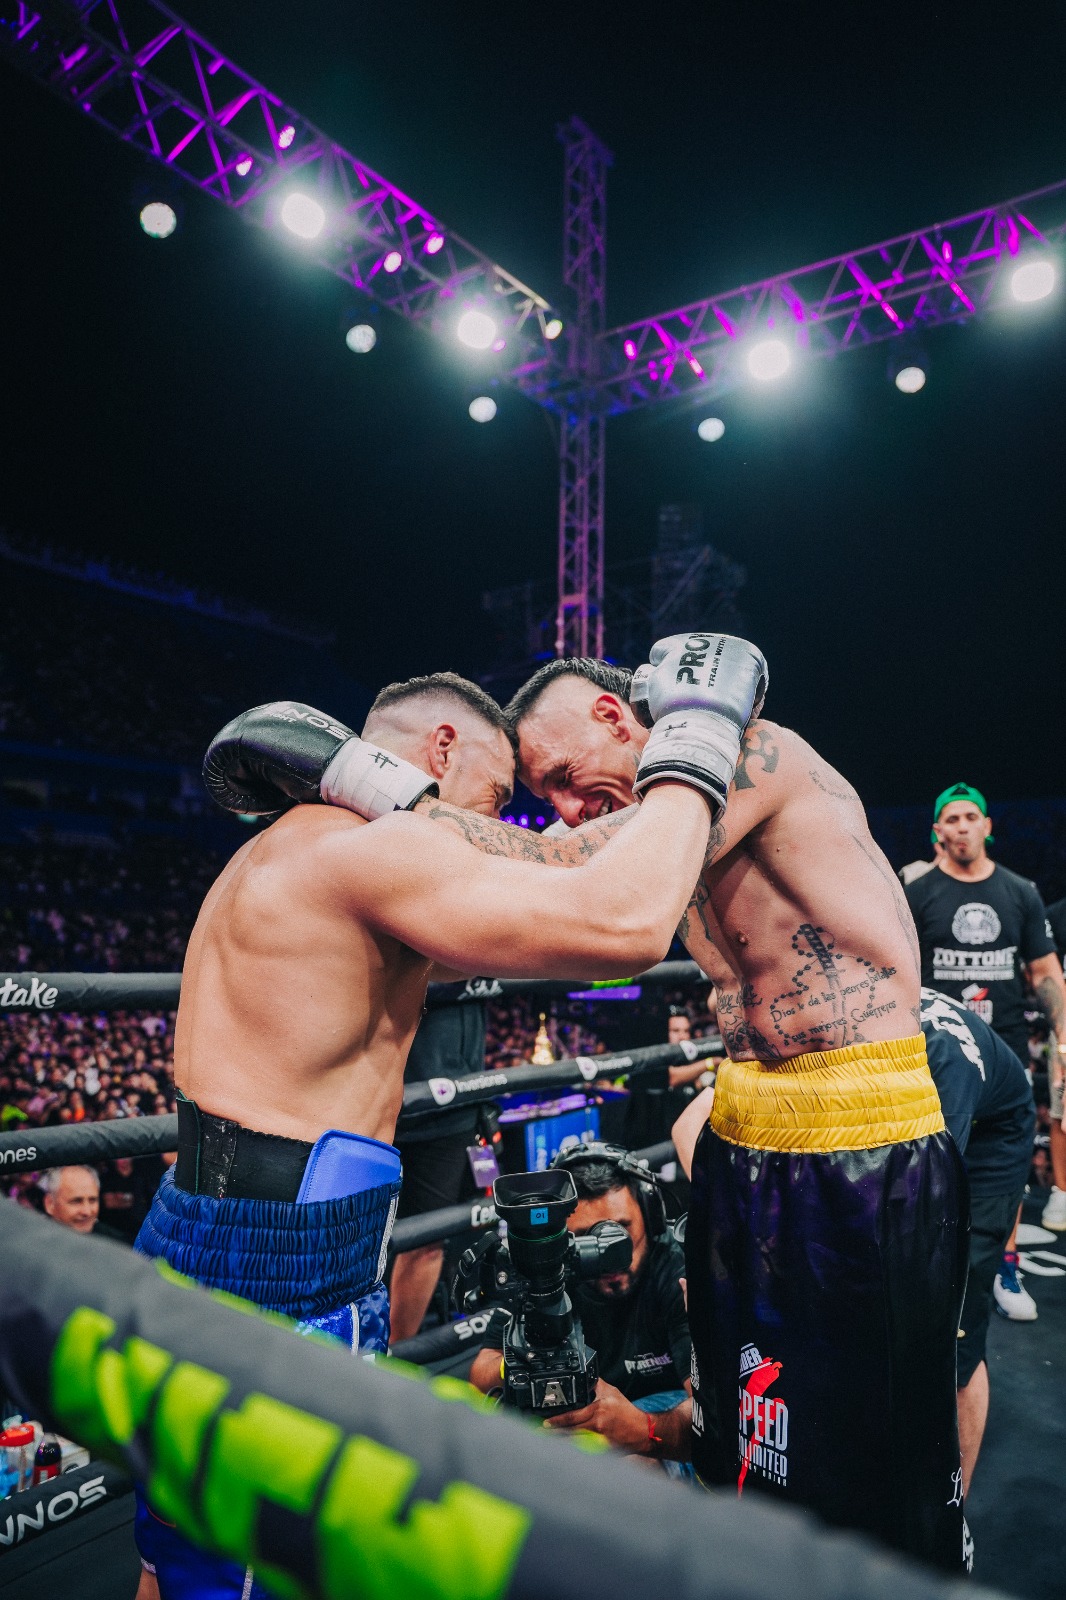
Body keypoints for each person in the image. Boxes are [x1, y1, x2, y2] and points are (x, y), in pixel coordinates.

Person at [252, 639, 967, 1571]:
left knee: (869, 1453)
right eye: (542, 794)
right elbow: (571, 898)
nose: (560, 803)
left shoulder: (752, 754)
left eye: (562, 773)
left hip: (860, 1142)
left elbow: (568, 875)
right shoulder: (667, 825)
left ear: (612, 713)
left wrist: (367, 784)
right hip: (750, 1127)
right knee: (749, 1423)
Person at [138, 665, 723, 1600]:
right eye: (495, 798)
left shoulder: (295, 849)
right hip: (279, 1246)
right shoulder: (371, 850)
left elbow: (523, 902)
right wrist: (700, 747)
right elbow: (624, 926)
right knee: (264, 1560)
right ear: (439, 751)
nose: (494, 828)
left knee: (184, 1546)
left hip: (237, 1216)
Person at [903, 783, 1066, 1308]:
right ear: (937, 832)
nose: (963, 826)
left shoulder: (1020, 891)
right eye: (951, 819)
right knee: (934, 1163)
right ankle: (931, 1272)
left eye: (971, 816)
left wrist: (1064, 1042)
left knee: (1005, 1167)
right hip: (939, 1058)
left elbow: (1045, 973)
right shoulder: (919, 893)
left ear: (988, 826)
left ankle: (1006, 1267)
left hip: (1006, 1054)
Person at [468, 1142, 693, 1465]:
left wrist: (645, 1430)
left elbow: (710, 1414)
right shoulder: (548, 1268)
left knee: (627, 1466)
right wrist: (522, 1365)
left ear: (649, 1213)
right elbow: (481, 1372)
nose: (612, 1255)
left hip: (660, 1418)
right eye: (590, 1236)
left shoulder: (674, 1267)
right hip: (577, 1418)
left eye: (621, 1229)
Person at [918, 988, 1035, 1497]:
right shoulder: (828, 1021)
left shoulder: (943, 1061)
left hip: (992, 1148)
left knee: (958, 1331)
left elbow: (926, 1193)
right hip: (948, 1113)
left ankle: (954, 1509)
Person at [39, 1164, 124, 1241]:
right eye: (76, 1201)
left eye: (92, 1200)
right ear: (50, 1204)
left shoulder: (115, 1244)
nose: (86, 1212)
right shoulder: (32, 1247)